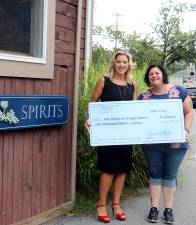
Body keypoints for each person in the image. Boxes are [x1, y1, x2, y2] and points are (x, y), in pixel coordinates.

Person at [85, 51, 137, 223]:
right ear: (113, 63)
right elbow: (92, 105)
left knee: (122, 169)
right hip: (107, 134)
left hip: (126, 134)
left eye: (125, 62)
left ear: (129, 64)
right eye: (118, 61)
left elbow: (135, 109)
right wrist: (88, 119)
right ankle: (101, 204)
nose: (121, 65)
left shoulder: (132, 84)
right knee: (108, 169)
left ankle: (116, 203)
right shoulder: (103, 80)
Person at [138, 64, 193, 224]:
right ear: (148, 78)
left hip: (176, 143)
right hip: (151, 144)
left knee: (169, 175)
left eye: (157, 73)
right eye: (150, 74)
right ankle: (153, 208)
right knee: (155, 174)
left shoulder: (178, 91)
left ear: (163, 74)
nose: (154, 76)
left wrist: (186, 130)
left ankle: (168, 210)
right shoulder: (143, 96)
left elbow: (189, 112)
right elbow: (138, 119)